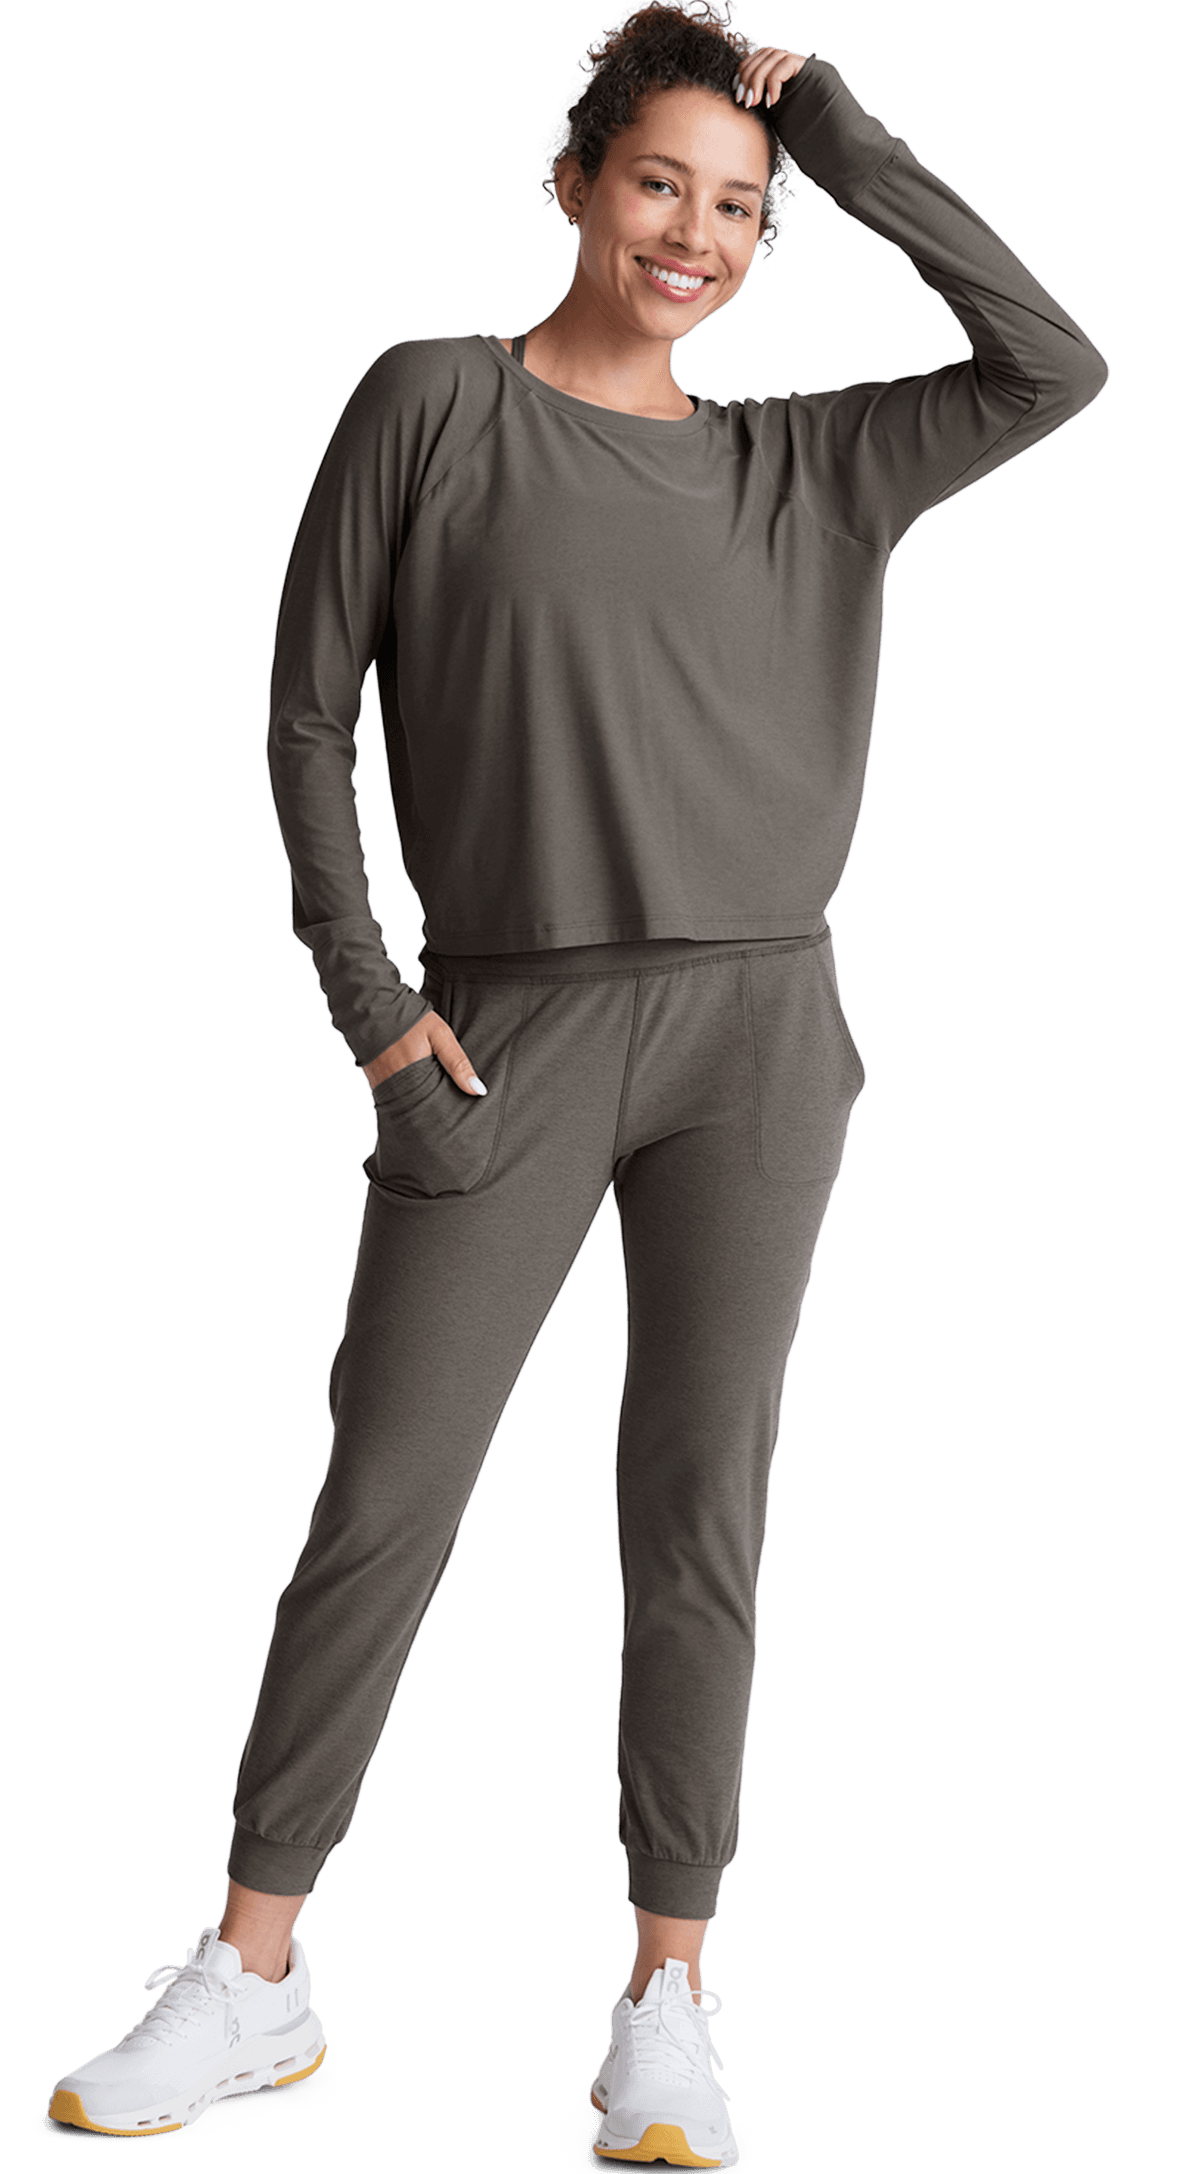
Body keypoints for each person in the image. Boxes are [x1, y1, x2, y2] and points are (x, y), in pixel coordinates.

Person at [45, 2, 1108, 2160]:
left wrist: (844, 134)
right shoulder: (432, 401)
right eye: (659, 184)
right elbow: (301, 715)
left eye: (740, 205)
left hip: (761, 1038)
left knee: (700, 1511)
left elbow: (1052, 364)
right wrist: (370, 1003)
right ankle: (253, 1978)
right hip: (499, 1027)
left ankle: (662, 2013)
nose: (696, 235)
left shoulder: (809, 464)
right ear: (575, 178)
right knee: (387, 1492)